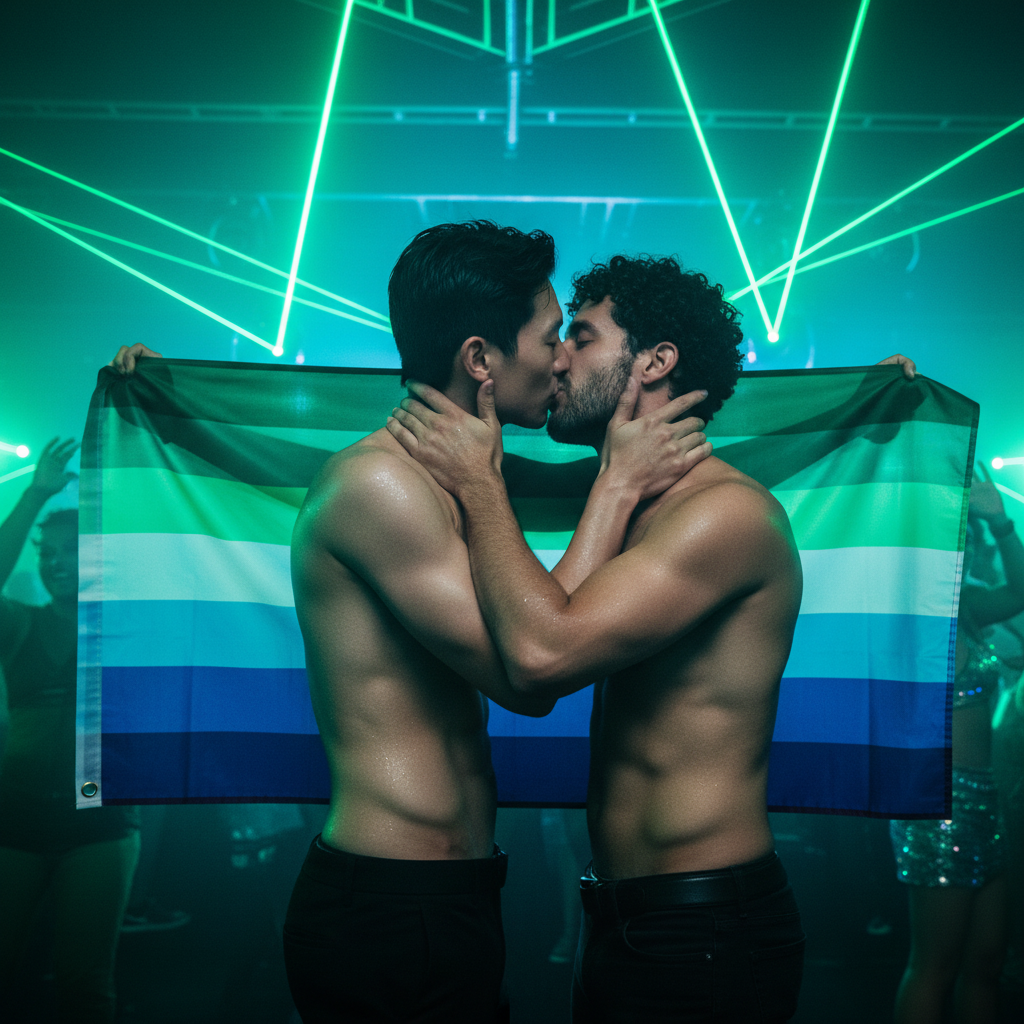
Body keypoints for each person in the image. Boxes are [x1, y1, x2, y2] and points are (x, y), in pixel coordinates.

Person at [388, 252, 917, 1023]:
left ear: (657, 362)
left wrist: (479, 481)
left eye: (582, 336)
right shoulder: (626, 504)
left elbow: (541, 655)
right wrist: (162, 399)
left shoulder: (722, 516)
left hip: (702, 929)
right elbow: (437, 428)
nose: (556, 358)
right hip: (630, 917)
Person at [284, 224, 711, 1023]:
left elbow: (664, 437)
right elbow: (531, 671)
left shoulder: (459, 475)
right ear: (481, 360)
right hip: (386, 903)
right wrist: (614, 488)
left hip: (447, 894)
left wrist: (878, 400)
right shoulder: (380, 486)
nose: (560, 360)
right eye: (553, 338)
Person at [0, 438, 141, 1024]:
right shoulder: (19, 624)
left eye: (69, 551)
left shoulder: (125, 625)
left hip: (99, 826)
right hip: (15, 820)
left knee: (85, 986)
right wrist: (36, 494)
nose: (55, 563)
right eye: (46, 553)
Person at [890, 468, 1024, 1024]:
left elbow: (1021, 592)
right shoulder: (910, 616)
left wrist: (999, 522)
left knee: (987, 962)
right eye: (959, 531)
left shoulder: (967, 605)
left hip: (988, 801)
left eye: (967, 532)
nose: (964, 541)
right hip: (936, 809)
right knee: (935, 967)